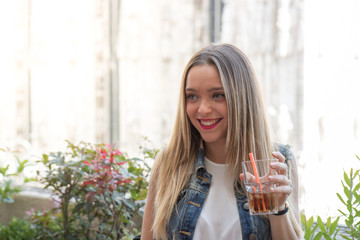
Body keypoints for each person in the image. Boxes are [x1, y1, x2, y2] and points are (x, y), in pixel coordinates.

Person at [141, 43, 303, 239]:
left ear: (242, 98)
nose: (203, 109)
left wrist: (278, 208)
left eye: (218, 95)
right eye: (192, 96)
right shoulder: (169, 163)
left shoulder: (278, 162)